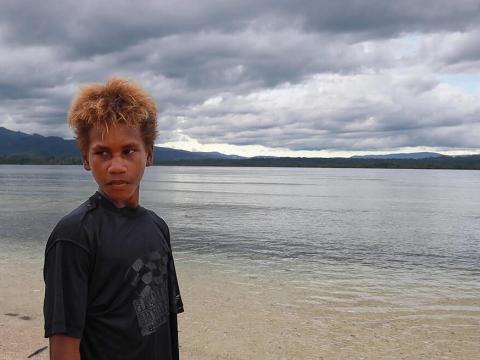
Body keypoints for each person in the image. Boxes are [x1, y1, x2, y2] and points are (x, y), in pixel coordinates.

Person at [43, 78, 184, 360]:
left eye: (129, 151)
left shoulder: (157, 227)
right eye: (103, 153)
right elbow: (63, 345)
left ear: (149, 155)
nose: (116, 166)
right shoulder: (75, 236)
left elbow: (165, 322)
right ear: (86, 159)